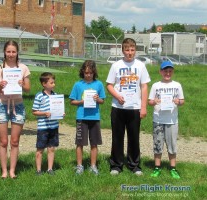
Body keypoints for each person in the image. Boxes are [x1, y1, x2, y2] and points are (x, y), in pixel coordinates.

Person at [106, 38, 151, 176]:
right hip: (118, 107)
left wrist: (143, 107)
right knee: (117, 137)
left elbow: (144, 86)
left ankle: (134, 165)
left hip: (134, 108)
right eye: (127, 50)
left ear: (135, 50)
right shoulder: (116, 65)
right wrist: (117, 96)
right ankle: (116, 165)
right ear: (122, 50)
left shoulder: (141, 65)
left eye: (132, 50)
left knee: (134, 137)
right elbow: (109, 84)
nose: (129, 53)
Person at [0, 40, 31, 179]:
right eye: (8, 51)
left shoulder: (23, 68)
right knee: (3, 141)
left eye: (13, 51)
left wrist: (22, 83)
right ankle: (4, 171)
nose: (11, 54)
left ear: (17, 52)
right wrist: (0, 86)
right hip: (2, 105)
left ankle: (12, 170)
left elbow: (27, 88)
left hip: (18, 106)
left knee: (14, 141)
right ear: (4, 52)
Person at [148, 61, 184, 179]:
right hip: (158, 119)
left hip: (172, 120)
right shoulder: (156, 86)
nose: (167, 73)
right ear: (160, 71)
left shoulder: (177, 85)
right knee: (157, 144)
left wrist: (178, 102)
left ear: (172, 72)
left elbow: (182, 101)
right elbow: (150, 101)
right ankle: (157, 167)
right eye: (165, 71)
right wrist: (154, 102)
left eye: (170, 71)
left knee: (172, 145)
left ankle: (173, 168)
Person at [69, 60, 106, 175]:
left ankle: (93, 166)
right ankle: (79, 166)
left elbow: (102, 101)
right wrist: (81, 101)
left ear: (94, 72)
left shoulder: (99, 84)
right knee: (80, 143)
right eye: (86, 73)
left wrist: (97, 99)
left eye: (90, 73)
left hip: (94, 118)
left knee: (94, 143)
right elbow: (72, 101)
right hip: (82, 117)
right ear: (82, 72)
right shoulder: (77, 84)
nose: (88, 75)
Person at [32, 72, 63, 176]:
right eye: (51, 82)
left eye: (54, 82)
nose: (53, 84)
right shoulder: (39, 96)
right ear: (44, 84)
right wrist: (44, 113)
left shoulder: (56, 95)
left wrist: (61, 113)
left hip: (54, 126)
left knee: (51, 148)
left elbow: (58, 109)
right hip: (43, 127)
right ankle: (38, 170)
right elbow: (34, 111)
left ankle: (50, 169)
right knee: (40, 149)